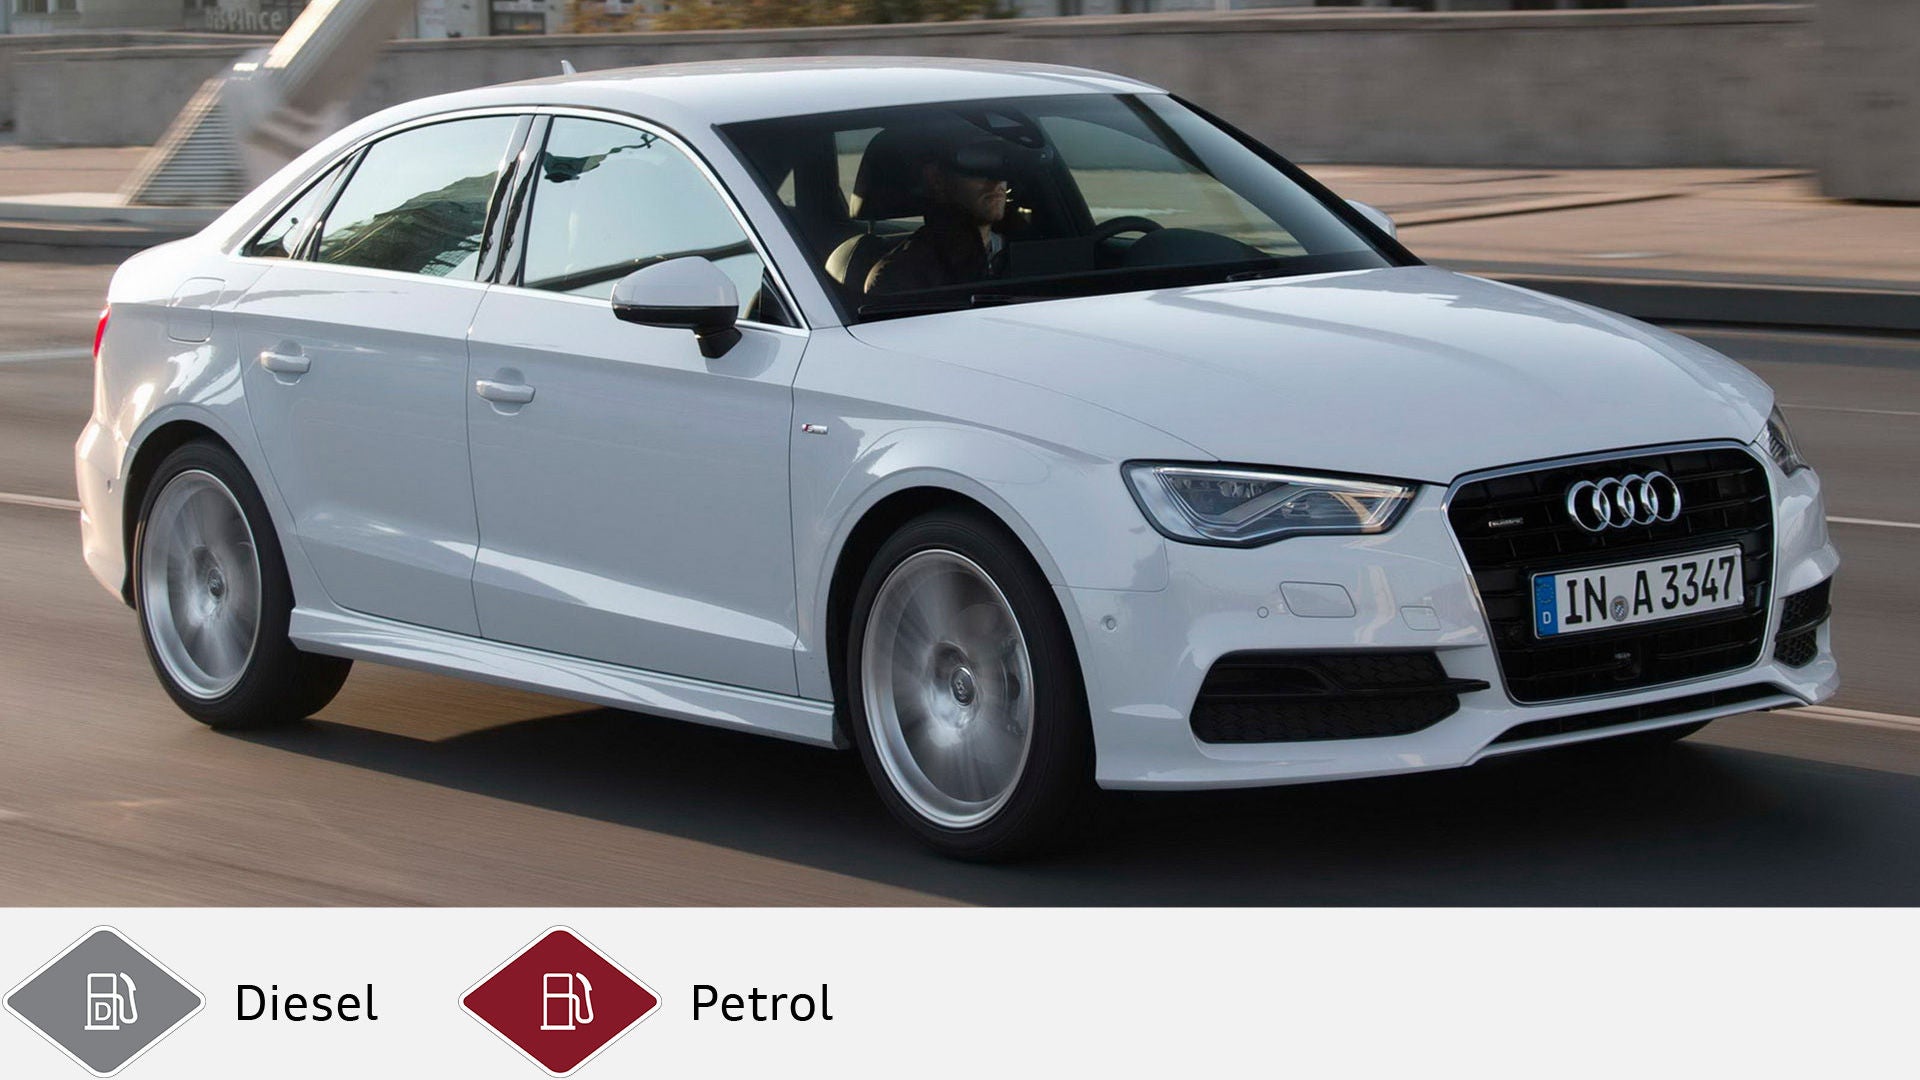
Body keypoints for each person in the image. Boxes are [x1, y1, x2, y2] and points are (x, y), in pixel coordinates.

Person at [864, 139, 1012, 296]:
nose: (997, 183)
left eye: (1000, 170)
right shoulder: (902, 272)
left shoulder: (1029, 250)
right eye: (976, 169)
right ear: (936, 180)